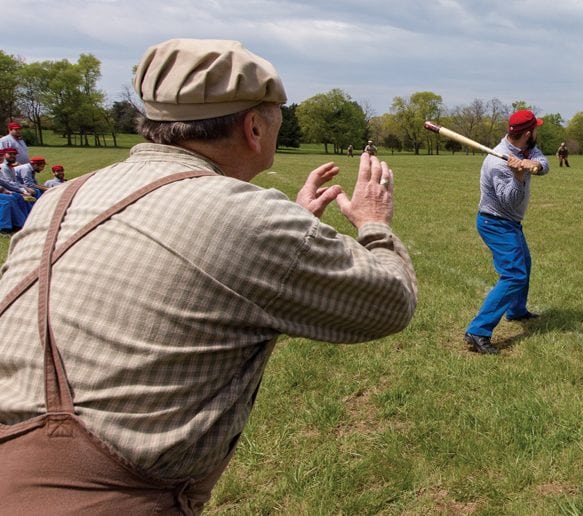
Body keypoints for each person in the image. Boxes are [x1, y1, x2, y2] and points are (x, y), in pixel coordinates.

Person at [0, 38, 417, 513]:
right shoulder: (247, 216)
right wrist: (374, 223)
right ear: (254, 127)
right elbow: (390, 301)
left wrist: (293, 228)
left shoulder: (66, 195)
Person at [463, 109, 549, 355]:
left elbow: (544, 163)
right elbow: (508, 202)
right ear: (528, 132)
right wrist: (518, 176)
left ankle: (517, 310)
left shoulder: (526, 148)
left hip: (509, 223)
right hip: (496, 222)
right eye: (536, 129)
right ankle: (478, 330)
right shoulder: (498, 162)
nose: (538, 133)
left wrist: (534, 164)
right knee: (514, 275)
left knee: (525, 264)